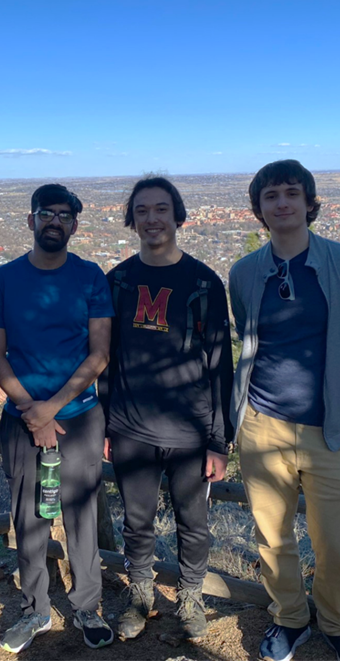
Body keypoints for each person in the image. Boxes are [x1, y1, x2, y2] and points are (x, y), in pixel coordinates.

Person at [230, 160, 340, 661]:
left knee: (339, 544)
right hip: (261, 424)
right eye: (271, 196)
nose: (281, 203)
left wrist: (334, 371)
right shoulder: (245, 273)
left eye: (291, 194)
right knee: (272, 539)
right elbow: (248, 337)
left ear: (309, 203)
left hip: (335, 428)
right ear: (259, 209)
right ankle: (290, 619)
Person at [98, 176, 233, 641]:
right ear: (131, 219)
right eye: (142, 211)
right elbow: (105, 361)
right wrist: (105, 424)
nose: (151, 218)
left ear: (178, 215)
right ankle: (140, 595)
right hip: (131, 427)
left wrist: (219, 439)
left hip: (191, 432)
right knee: (136, 521)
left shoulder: (203, 283)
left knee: (193, 523)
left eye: (160, 209)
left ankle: (190, 596)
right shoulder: (116, 281)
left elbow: (221, 366)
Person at [0, 183, 115, 653]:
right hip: (22, 418)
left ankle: (87, 606)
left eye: (64, 215)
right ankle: (36, 607)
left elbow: (99, 354)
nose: (55, 221)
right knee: (29, 517)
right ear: (31, 220)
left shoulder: (90, 277)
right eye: (46, 213)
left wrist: (51, 409)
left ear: (74, 225)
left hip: (77, 418)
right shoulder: (5, 277)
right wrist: (31, 412)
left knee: (81, 516)